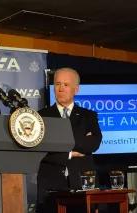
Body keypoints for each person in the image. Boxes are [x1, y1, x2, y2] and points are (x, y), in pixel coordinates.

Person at [37, 67, 102, 212]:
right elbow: (41, 149)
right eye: (57, 84)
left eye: (66, 85)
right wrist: (70, 153)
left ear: (76, 89)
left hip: (82, 184)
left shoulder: (88, 116)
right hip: (51, 186)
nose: (60, 89)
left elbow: (94, 143)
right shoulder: (41, 117)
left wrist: (58, 142)